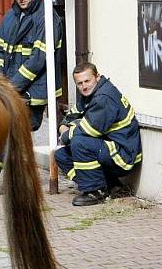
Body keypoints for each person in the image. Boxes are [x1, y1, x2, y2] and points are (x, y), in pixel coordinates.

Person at [0, 0, 63, 194]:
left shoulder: (47, 18)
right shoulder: (11, 16)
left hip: (33, 91)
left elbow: (37, 60)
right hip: (10, 86)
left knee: (15, 131)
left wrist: (10, 86)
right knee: (9, 131)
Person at [56, 62, 142, 206]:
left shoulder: (104, 97)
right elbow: (71, 116)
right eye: (79, 83)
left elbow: (87, 131)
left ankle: (95, 192)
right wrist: (64, 126)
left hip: (123, 155)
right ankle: (109, 185)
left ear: (97, 77)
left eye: (87, 81)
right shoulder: (91, 93)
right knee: (61, 155)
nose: (84, 86)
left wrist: (64, 135)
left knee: (79, 142)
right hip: (108, 147)